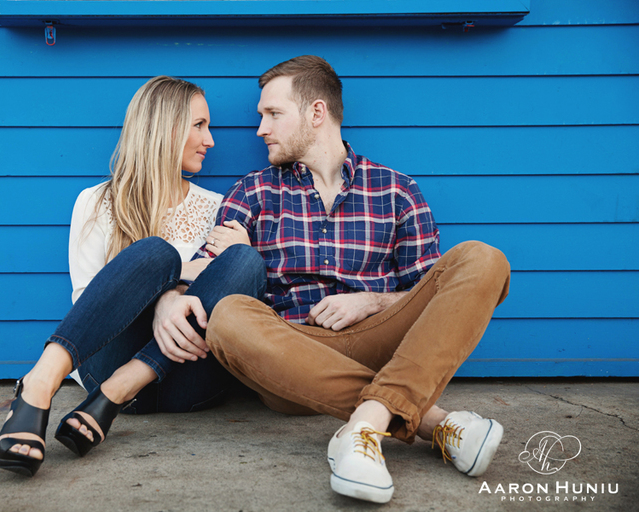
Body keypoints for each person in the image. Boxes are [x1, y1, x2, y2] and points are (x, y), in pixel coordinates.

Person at [200, 56, 511, 504]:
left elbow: (432, 292)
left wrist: (372, 301)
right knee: (228, 315)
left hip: (384, 343)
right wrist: (174, 294)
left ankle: (364, 426)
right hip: (292, 351)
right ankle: (433, 422)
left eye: (273, 114)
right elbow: (210, 276)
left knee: (484, 259)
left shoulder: (397, 190)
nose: (260, 130)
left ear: (316, 113)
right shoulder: (252, 192)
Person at [0, 76, 266, 477]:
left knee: (246, 259)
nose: (210, 140)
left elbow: (224, 292)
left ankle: (118, 392)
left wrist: (180, 289)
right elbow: (87, 301)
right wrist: (169, 293)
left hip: (187, 379)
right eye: (199, 125)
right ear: (164, 128)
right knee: (155, 252)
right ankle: (39, 385)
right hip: (106, 361)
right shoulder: (95, 202)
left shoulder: (216, 207)